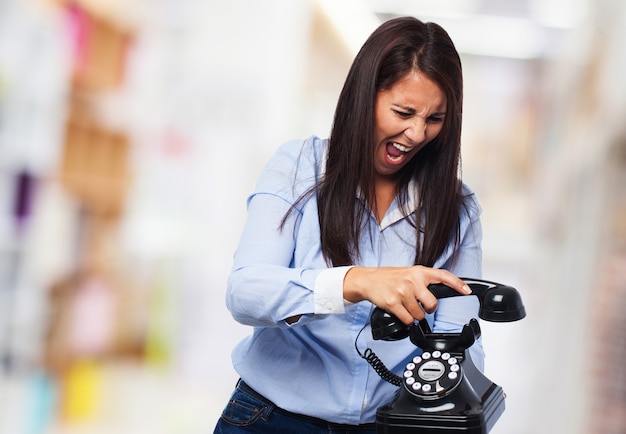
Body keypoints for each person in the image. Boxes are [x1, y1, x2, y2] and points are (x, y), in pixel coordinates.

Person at [213, 16, 484, 434]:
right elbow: (245, 292)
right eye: (403, 112)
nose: (415, 133)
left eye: (435, 118)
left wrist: (461, 410)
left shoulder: (458, 207)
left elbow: (461, 334)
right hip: (270, 420)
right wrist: (354, 282)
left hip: (386, 425)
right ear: (364, 97)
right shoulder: (298, 168)